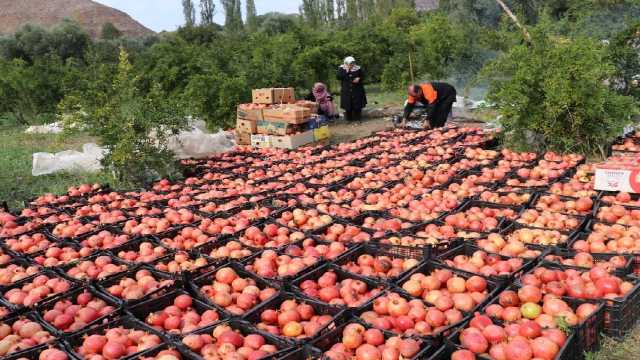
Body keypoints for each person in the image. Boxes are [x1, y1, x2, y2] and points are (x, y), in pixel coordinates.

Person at [337, 56, 367, 122]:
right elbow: (339, 77)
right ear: (346, 63)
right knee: (348, 104)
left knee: (358, 104)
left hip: (357, 89)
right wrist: (347, 71)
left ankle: (358, 118)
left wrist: (359, 78)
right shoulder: (342, 68)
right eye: (350, 63)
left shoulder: (358, 68)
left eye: (353, 63)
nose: (352, 65)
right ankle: (349, 119)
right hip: (346, 89)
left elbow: (363, 76)